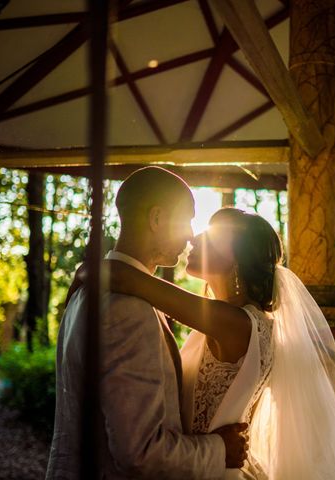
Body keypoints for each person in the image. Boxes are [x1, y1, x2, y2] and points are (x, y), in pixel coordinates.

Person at [101, 206, 335, 479]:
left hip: (211, 470)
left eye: (211, 236)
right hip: (203, 463)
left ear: (235, 258)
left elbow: (121, 275)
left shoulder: (234, 323)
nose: (195, 239)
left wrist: (84, 277)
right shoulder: (236, 319)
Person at [47, 167, 248, 479]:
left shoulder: (86, 293)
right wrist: (219, 449)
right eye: (186, 220)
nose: (190, 234)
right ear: (156, 219)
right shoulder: (129, 309)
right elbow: (140, 454)